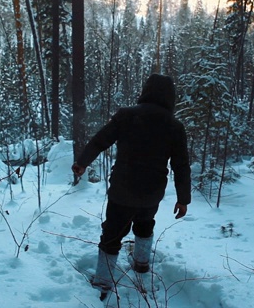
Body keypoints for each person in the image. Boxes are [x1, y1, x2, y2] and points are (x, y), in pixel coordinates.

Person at [72, 73, 191, 300]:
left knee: (112, 233)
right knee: (145, 225)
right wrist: (183, 199)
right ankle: (141, 264)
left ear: (146, 90)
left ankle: (103, 281)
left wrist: (82, 162)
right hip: (152, 193)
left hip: (122, 190)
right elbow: (181, 165)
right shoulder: (175, 126)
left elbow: (100, 140)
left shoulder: (126, 116)